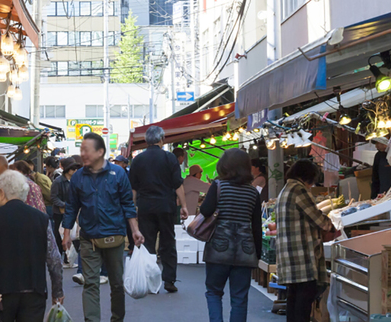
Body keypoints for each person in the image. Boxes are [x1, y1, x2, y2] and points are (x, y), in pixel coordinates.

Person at [63, 133, 143, 322]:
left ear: (100, 152)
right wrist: (66, 233)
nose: (83, 154)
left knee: (116, 284)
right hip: (88, 238)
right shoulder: (78, 177)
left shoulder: (118, 173)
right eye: (81, 150)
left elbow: (127, 204)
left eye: (87, 150)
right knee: (90, 284)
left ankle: (117, 318)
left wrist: (135, 230)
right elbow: (71, 207)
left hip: (114, 236)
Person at [0, 171, 64, 322]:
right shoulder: (42, 218)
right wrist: (57, 291)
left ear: (2, 193)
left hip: (3, 293)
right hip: (35, 290)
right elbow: (54, 258)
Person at [201, 150, 261, 322]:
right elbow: (256, 226)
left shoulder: (219, 186)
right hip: (245, 250)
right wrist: (257, 253)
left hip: (218, 248)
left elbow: (205, 211)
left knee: (213, 292)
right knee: (240, 297)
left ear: (224, 166)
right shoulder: (253, 193)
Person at [128, 126, 187, 292]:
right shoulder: (169, 158)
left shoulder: (138, 160)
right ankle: (169, 280)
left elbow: (133, 188)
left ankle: (148, 280)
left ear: (147, 141)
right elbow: (178, 184)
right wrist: (184, 206)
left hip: (146, 206)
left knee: (147, 243)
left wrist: (133, 208)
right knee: (168, 243)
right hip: (166, 206)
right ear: (162, 140)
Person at [276, 160, 335, 322]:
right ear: (308, 176)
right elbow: (318, 219)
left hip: (289, 255)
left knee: (293, 300)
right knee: (303, 302)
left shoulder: (285, 190)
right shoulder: (298, 190)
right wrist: (331, 226)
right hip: (301, 256)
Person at [50, 157, 81, 264]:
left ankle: (68, 259)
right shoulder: (58, 181)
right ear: (68, 170)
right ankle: (59, 259)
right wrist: (66, 205)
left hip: (73, 212)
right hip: (60, 213)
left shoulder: (75, 181)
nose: (75, 171)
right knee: (59, 236)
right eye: (73, 169)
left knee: (74, 236)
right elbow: (53, 197)